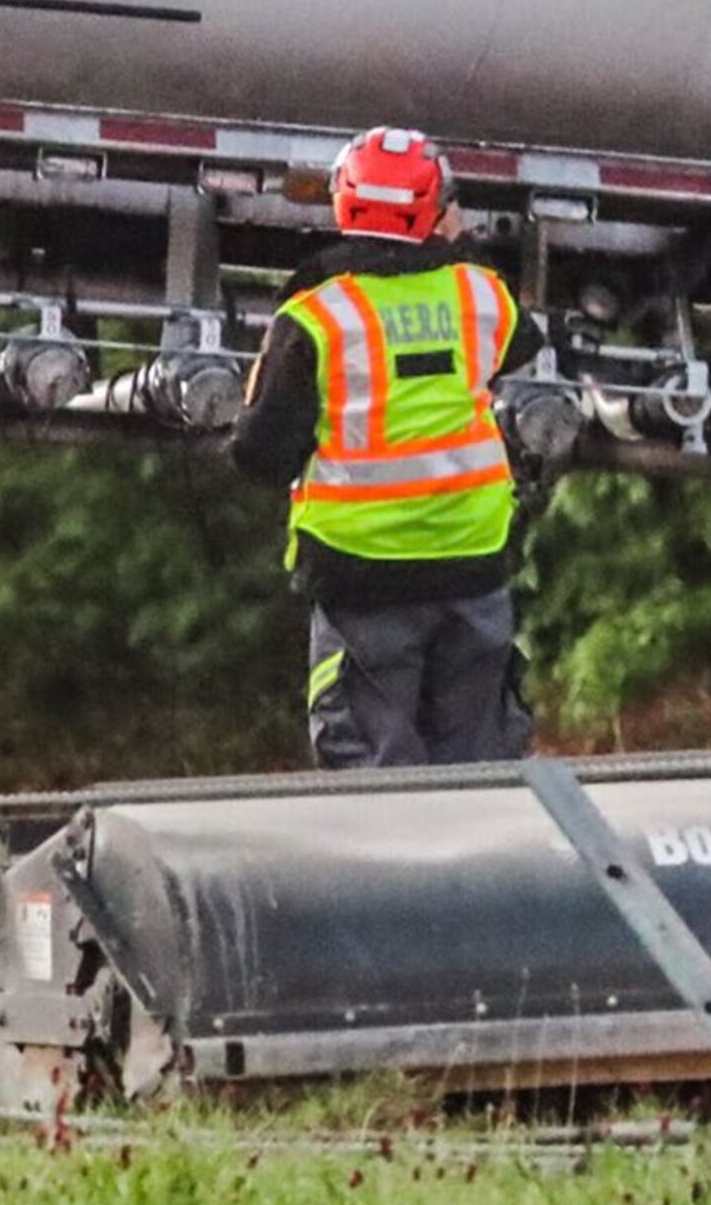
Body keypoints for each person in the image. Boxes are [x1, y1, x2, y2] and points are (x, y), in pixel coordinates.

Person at [227, 126, 534, 770]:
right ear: (438, 208)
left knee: (374, 771)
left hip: (361, 569)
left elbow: (259, 453)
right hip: (473, 556)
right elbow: (517, 344)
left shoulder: (315, 314)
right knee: (479, 763)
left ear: (343, 200)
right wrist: (458, 245)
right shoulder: (481, 294)